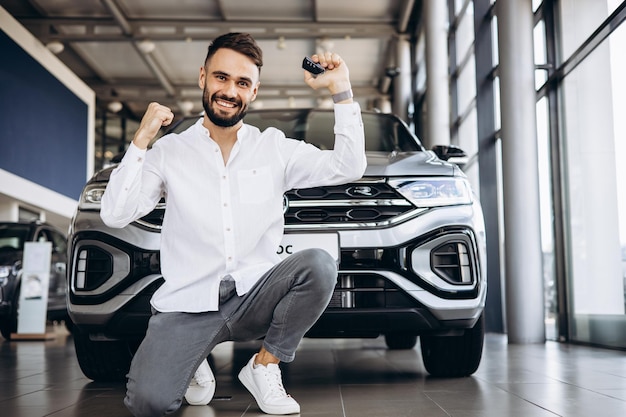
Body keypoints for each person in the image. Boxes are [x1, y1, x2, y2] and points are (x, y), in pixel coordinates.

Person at [100, 32, 366, 416]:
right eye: (221, 78)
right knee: (149, 404)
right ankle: (193, 361)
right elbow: (115, 213)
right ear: (202, 78)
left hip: (253, 295)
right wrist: (141, 140)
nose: (230, 91)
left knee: (319, 264)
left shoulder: (273, 147)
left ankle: (264, 366)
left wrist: (341, 90)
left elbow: (349, 166)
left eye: (242, 83)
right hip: (187, 305)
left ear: (253, 91)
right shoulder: (169, 151)